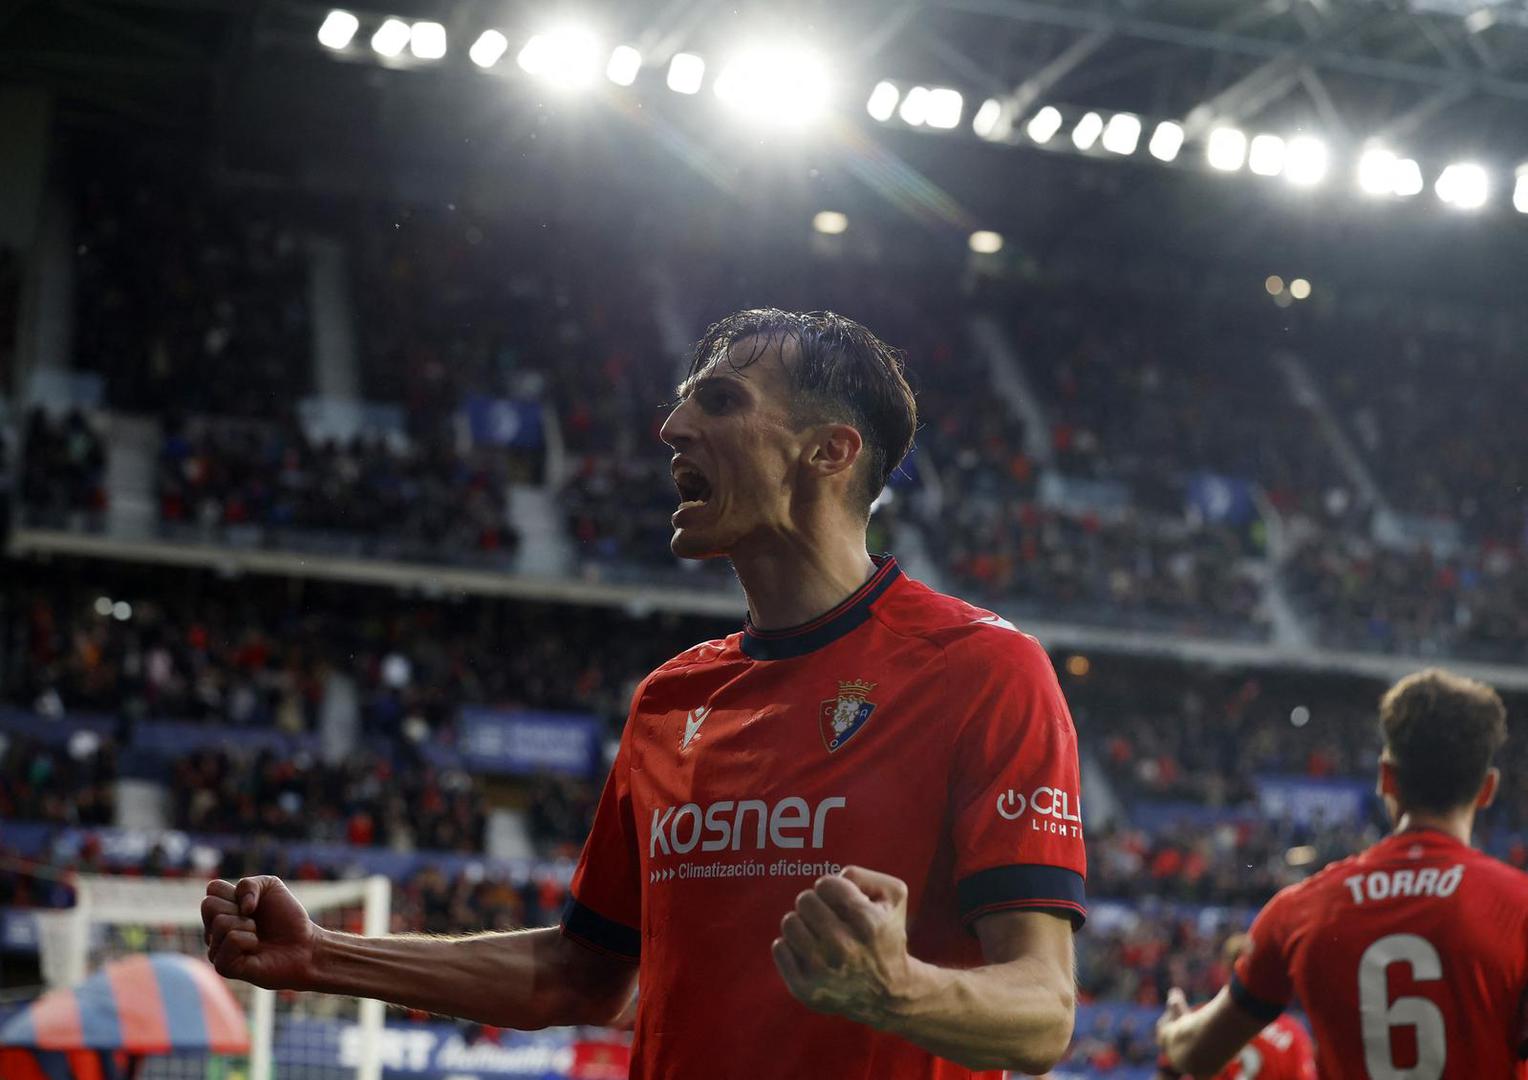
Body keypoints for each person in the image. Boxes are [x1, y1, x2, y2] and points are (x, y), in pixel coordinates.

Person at [202, 309, 1086, 1078]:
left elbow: (1042, 1014)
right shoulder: (671, 698)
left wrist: (897, 989)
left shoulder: (980, 668)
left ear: (829, 450)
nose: (670, 427)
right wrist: (322, 955)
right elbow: (578, 977)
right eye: (683, 402)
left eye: (720, 401)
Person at [1155, 667, 1528, 1079]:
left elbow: (1198, 1054)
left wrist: (1173, 1031)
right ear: (1487, 789)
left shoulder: (1300, 910)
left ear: (1386, 778)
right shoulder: (1518, 908)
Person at [1154, 935, 1314, 1080]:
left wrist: (1170, 1033)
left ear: (1225, 969)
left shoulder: (1197, 1018)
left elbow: (1165, 1075)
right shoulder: (1292, 1034)